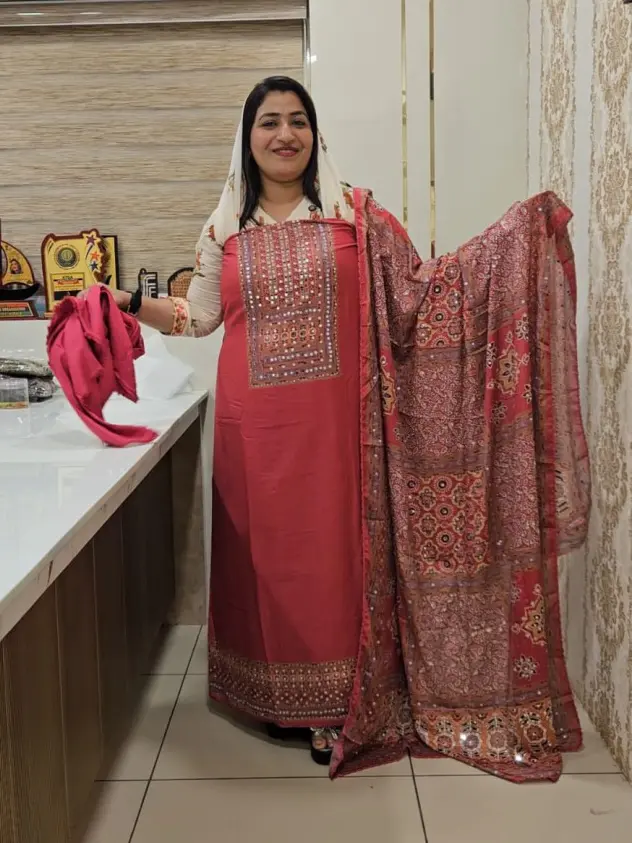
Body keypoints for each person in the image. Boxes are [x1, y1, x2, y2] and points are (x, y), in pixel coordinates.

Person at [106, 76, 590, 781]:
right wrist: (126, 302)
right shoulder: (223, 228)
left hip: (338, 432)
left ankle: (337, 704)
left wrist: (510, 240)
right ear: (247, 139)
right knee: (263, 558)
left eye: (298, 121)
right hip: (251, 431)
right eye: (269, 122)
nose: (285, 135)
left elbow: (422, 289)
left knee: (331, 557)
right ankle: (268, 692)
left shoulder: (356, 214)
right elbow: (197, 318)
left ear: (315, 134)